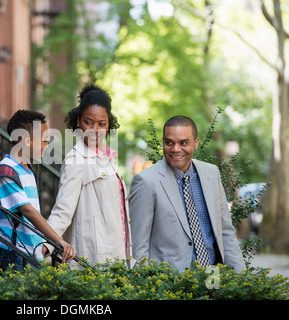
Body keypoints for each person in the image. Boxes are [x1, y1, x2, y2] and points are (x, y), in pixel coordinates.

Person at [129, 115, 246, 272]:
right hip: (171, 285)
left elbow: (225, 232)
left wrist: (241, 278)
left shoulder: (211, 173)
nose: (175, 149)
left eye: (183, 143)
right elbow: (139, 247)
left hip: (213, 276)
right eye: (169, 142)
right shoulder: (146, 181)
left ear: (196, 143)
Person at [0, 110, 76, 271]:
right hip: (12, 253)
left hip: (29, 252)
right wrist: (57, 240)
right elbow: (28, 211)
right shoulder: (7, 170)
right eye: (44, 141)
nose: (46, 146)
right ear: (26, 141)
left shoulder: (26, 169)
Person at [44, 83, 132, 268]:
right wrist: (44, 245)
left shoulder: (107, 157)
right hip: (93, 259)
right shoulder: (76, 159)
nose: (94, 130)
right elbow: (63, 211)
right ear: (78, 121)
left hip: (116, 255)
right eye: (88, 122)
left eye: (102, 124)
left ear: (109, 124)